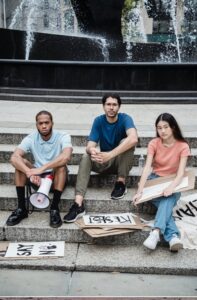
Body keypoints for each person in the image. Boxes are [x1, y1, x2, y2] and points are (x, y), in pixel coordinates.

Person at [63, 93, 138, 223]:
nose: (111, 108)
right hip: (103, 161)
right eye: (108, 104)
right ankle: (78, 204)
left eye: (114, 105)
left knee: (127, 142)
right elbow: (89, 145)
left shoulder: (125, 119)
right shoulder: (98, 121)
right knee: (86, 156)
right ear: (103, 106)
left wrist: (110, 154)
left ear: (119, 107)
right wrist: (93, 151)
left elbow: (134, 138)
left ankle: (120, 183)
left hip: (121, 162)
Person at [133, 113, 190, 252]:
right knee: (166, 202)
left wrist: (171, 187)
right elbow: (147, 168)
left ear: (173, 128)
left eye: (166, 127)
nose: (162, 131)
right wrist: (140, 191)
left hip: (174, 182)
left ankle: (156, 232)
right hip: (155, 180)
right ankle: (173, 237)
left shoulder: (183, 146)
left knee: (168, 198)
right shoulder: (154, 143)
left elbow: (181, 173)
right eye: (159, 128)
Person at [6, 110, 72, 228]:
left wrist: (42, 169)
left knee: (61, 165)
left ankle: (54, 209)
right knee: (21, 163)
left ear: (52, 123)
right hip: (37, 179)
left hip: (56, 177)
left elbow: (66, 157)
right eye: (40, 123)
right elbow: (14, 157)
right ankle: (21, 208)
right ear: (36, 125)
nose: (44, 126)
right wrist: (29, 173)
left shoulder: (63, 136)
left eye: (47, 122)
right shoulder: (31, 138)